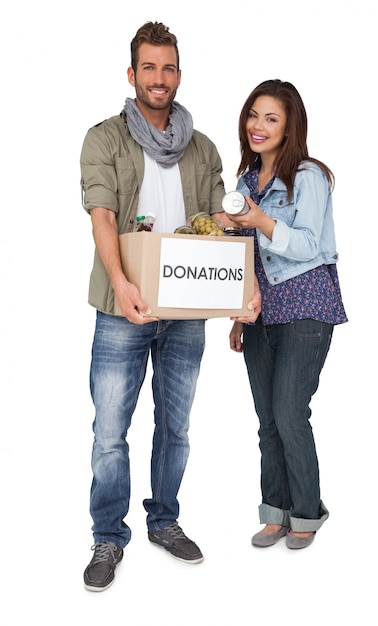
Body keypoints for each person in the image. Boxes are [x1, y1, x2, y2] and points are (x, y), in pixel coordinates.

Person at [80, 21, 259, 592]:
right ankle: (108, 536)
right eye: (149, 68)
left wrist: (242, 291)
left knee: (175, 428)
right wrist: (121, 282)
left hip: (185, 311)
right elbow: (102, 216)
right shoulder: (104, 138)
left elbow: (221, 227)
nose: (160, 79)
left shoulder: (201, 147)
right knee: (110, 431)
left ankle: (165, 521)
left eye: (170, 68)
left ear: (179, 74)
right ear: (132, 75)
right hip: (122, 306)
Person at [228, 79, 348, 551]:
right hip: (260, 313)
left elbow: (310, 245)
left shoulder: (310, 176)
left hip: (305, 307)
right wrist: (239, 316)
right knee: (267, 419)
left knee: (290, 413)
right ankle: (274, 512)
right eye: (253, 115)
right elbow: (243, 260)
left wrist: (261, 221)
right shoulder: (243, 182)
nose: (258, 126)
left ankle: (306, 512)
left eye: (270, 118)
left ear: (289, 125)